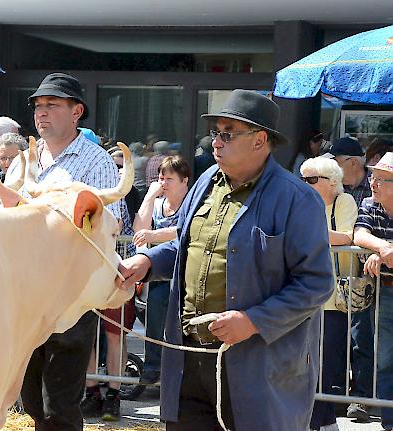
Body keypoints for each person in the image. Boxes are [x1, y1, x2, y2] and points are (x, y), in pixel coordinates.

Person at [117, 89, 333, 431]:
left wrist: (252, 320)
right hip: (190, 357)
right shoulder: (205, 183)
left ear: (261, 140)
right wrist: (146, 260)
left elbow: (316, 283)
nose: (215, 142)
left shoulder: (297, 199)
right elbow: (187, 247)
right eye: (215, 132)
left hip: (258, 367)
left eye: (227, 133)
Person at [7, 72, 123, 431]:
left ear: (77, 112)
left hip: (69, 298)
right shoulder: (21, 161)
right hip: (24, 294)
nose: (42, 113)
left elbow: (110, 227)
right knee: (30, 400)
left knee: (60, 404)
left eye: (52, 105)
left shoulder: (96, 161)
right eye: (38, 106)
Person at [81, 148, 139, 423]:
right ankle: (92, 391)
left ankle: (114, 395)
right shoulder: (78, 200)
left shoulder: (119, 198)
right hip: (86, 272)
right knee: (86, 332)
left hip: (118, 269)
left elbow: (118, 225)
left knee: (114, 335)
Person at [300, 157, 358, 431]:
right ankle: (322, 422)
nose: (305, 184)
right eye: (302, 179)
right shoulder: (301, 204)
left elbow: (347, 237)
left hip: (334, 297)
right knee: (307, 361)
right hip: (305, 295)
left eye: (311, 179)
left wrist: (307, 233)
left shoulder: (343, 202)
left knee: (325, 364)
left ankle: (323, 421)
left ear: (332, 181)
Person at [323, 136, 374, 420]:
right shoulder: (334, 192)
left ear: (351, 162)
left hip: (367, 275)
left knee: (363, 338)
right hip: (345, 281)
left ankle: (362, 397)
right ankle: (343, 394)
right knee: (347, 337)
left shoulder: (373, 187)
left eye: (336, 163)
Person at [132, 155, 190, 385]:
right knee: (154, 315)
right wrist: (148, 197)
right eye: (161, 178)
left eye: (169, 179)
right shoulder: (157, 203)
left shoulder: (192, 202)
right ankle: (153, 366)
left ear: (184, 180)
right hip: (158, 273)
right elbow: (139, 229)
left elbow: (183, 229)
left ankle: (174, 368)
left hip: (183, 270)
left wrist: (154, 236)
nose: (163, 183)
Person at [353, 151, 393, 431]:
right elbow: (358, 234)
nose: (373, 183)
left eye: (380, 179)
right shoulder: (369, 203)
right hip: (386, 291)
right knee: (386, 356)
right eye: (373, 177)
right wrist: (382, 248)